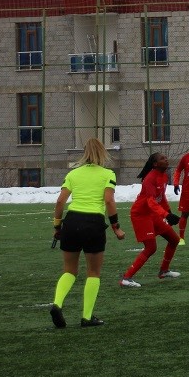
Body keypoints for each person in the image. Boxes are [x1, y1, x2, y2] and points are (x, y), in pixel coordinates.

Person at [49, 138, 125, 328]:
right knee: (93, 272)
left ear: (84, 153)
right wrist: (116, 226)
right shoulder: (108, 174)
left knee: (69, 270)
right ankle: (87, 317)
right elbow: (109, 201)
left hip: (72, 221)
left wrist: (57, 227)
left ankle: (57, 304)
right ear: (103, 153)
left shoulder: (73, 174)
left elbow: (60, 202)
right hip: (93, 224)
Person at [119, 153, 182, 287]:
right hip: (141, 214)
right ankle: (126, 278)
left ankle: (163, 271)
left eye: (166, 157)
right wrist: (166, 215)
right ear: (155, 164)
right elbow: (151, 202)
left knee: (174, 239)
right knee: (151, 247)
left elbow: (161, 197)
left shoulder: (164, 176)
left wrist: (169, 212)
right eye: (162, 159)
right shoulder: (149, 179)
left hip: (152, 213)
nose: (166, 159)